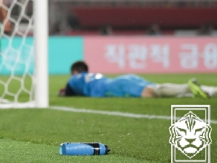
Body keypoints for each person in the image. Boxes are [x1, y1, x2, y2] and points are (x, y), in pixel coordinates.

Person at [60, 61, 214, 99]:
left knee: (153, 93)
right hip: (124, 78)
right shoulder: (93, 75)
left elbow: (68, 92)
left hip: (115, 86)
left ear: (75, 72)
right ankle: (209, 90)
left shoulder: (74, 79)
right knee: (158, 88)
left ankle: (187, 87)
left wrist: (62, 93)